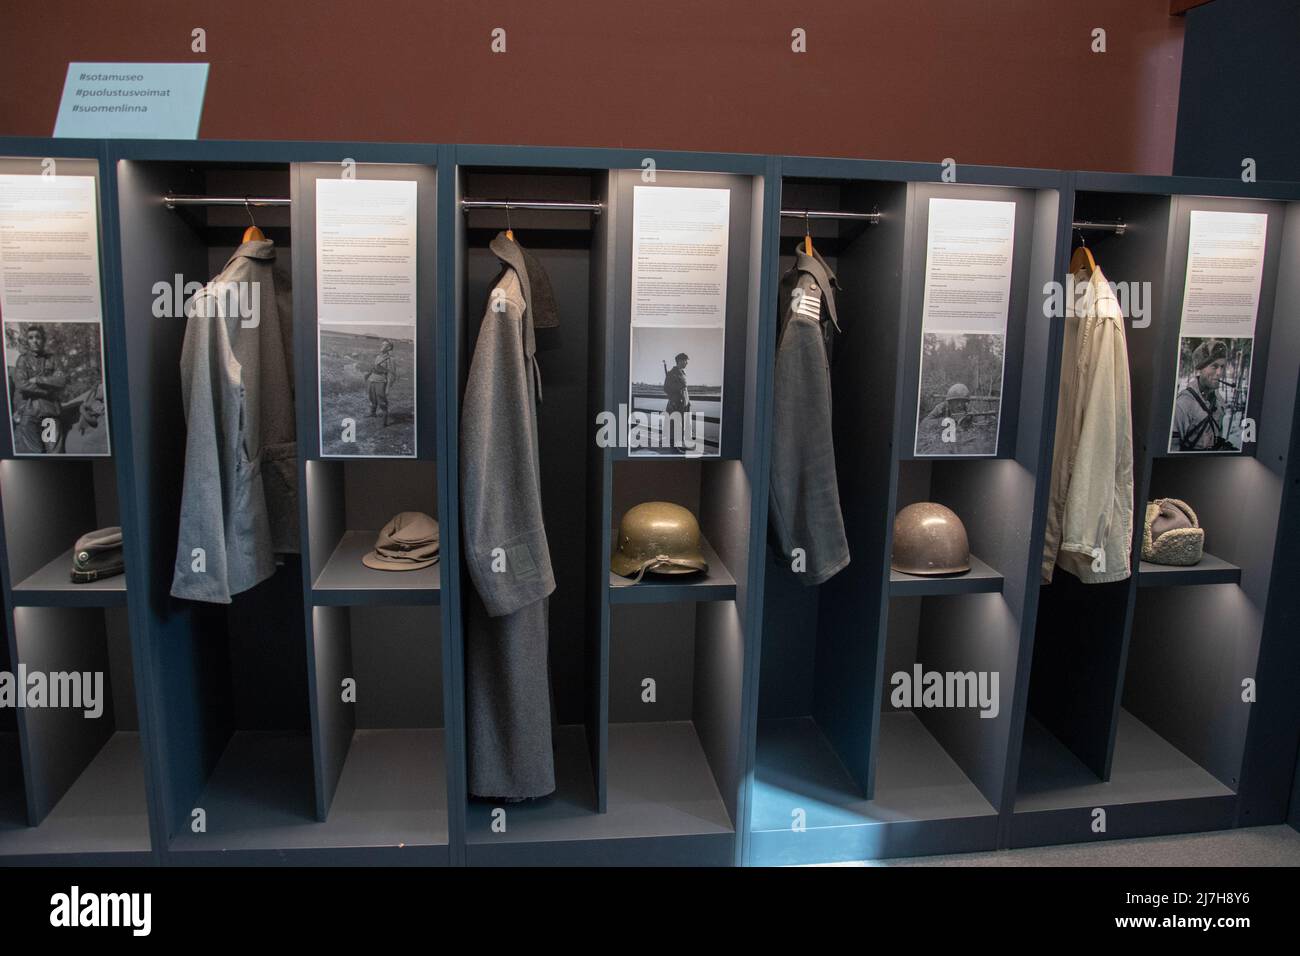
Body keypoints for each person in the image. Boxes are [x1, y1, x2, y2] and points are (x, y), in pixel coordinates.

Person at [11, 325, 66, 453]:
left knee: (54, 452)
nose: (34, 340)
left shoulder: (52, 359)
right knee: (34, 452)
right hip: (29, 412)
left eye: (38, 337)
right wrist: (47, 391)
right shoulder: (23, 360)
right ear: (27, 341)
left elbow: (61, 380)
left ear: (43, 340)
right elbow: (21, 384)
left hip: (49, 412)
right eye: (30, 338)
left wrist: (38, 380)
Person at [1171, 339, 1233, 451]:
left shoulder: (1218, 400)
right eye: (1214, 366)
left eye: (1222, 367)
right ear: (1201, 368)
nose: (1219, 373)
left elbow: (1217, 435)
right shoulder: (1183, 405)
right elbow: (1172, 449)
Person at [65, 379, 109, 455]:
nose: (97, 392)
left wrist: (82, 410)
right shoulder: (97, 404)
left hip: (100, 438)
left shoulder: (100, 406)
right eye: (98, 390)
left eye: (100, 390)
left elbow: (93, 421)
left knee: (89, 445)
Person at [366, 339, 399, 427]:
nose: (381, 346)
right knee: (371, 397)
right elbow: (374, 368)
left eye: (384, 345)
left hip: (381, 381)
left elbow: (391, 374)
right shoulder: (378, 356)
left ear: (389, 348)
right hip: (372, 379)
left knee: (382, 401)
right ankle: (372, 413)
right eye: (382, 344)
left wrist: (388, 387)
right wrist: (368, 375)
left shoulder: (391, 359)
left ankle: (384, 420)